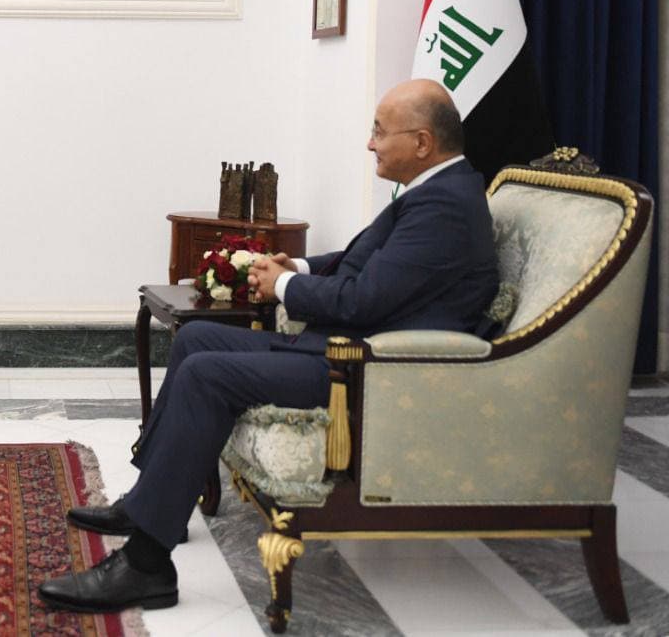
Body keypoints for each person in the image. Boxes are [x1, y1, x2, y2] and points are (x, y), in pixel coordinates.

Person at [38, 78, 499, 613]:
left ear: (422, 143)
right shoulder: (439, 191)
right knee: (196, 336)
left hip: (365, 371)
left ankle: (146, 566)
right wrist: (296, 266)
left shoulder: (445, 207)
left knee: (206, 374)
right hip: (344, 351)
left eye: (379, 131)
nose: (369, 143)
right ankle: (152, 501)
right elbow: (367, 263)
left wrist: (283, 286)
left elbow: (362, 301)